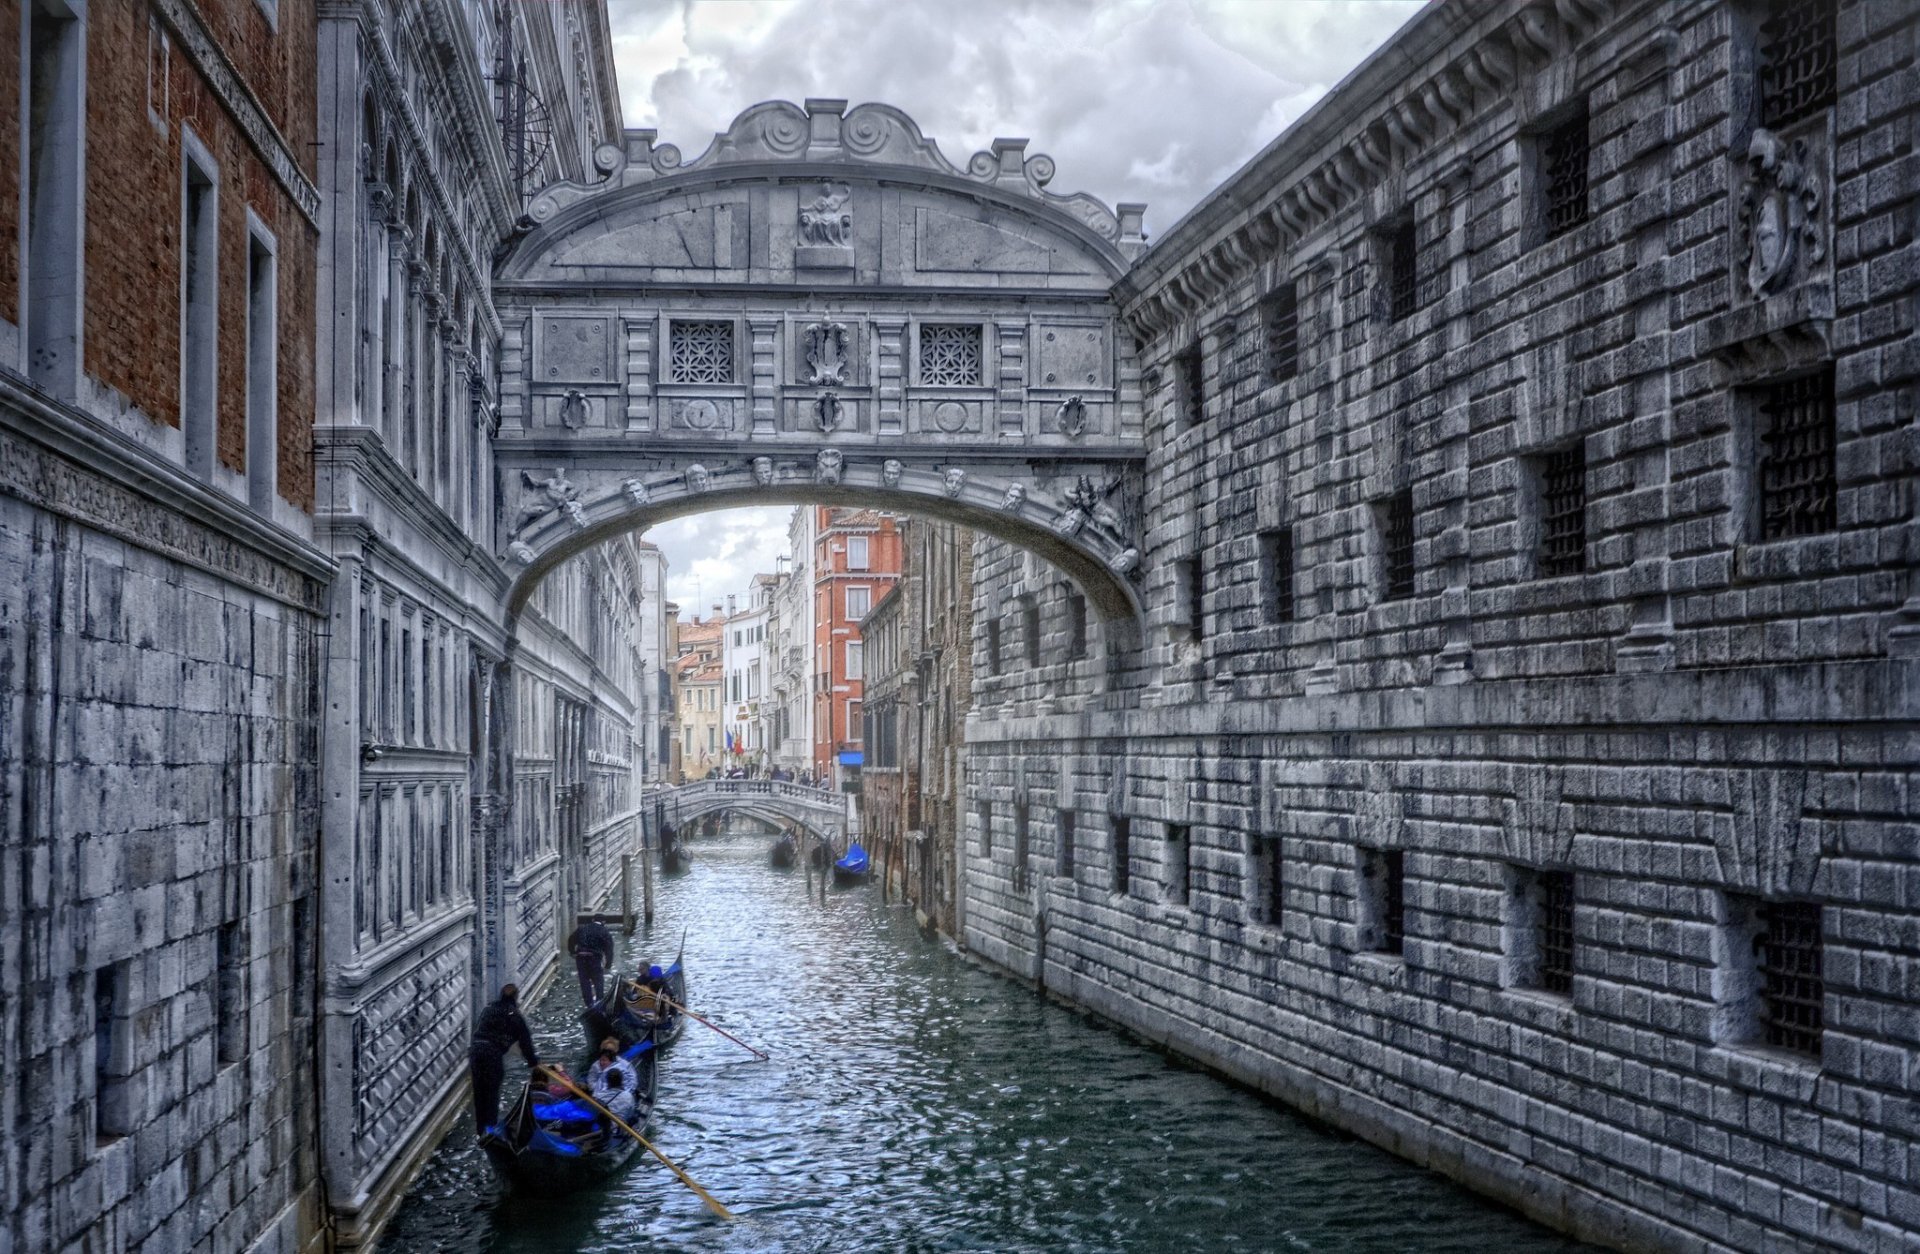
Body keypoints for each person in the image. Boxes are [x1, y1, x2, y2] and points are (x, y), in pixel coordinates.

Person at [469, 984, 538, 1135]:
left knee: (479, 1093)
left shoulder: (489, 1009)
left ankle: (481, 1131)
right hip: (492, 1053)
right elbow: (525, 1042)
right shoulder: (515, 1015)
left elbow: (479, 1029)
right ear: (515, 997)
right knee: (492, 1093)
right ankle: (491, 1129)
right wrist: (533, 1062)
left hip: (475, 1051)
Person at [566, 913, 616, 1007]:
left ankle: (589, 1004)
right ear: (604, 922)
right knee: (598, 981)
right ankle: (600, 1003)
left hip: (581, 958)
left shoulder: (582, 928)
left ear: (593, 920)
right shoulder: (605, 931)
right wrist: (608, 965)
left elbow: (571, 940)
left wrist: (572, 952)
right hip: (594, 958)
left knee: (585, 982)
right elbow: (609, 950)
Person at [588, 1036, 636, 1101]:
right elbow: (591, 1082)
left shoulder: (625, 1064)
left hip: (622, 1094)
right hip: (603, 1096)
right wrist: (602, 1092)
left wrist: (626, 1093)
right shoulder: (595, 1066)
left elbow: (633, 1080)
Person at [598, 1066, 637, 1141]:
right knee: (634, 1118)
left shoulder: (599, 1096)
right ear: (621, 1080)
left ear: (608, 1082)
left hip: (603, 1128)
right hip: (618, 1130)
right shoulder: (628, 1096)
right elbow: (630, 1114)